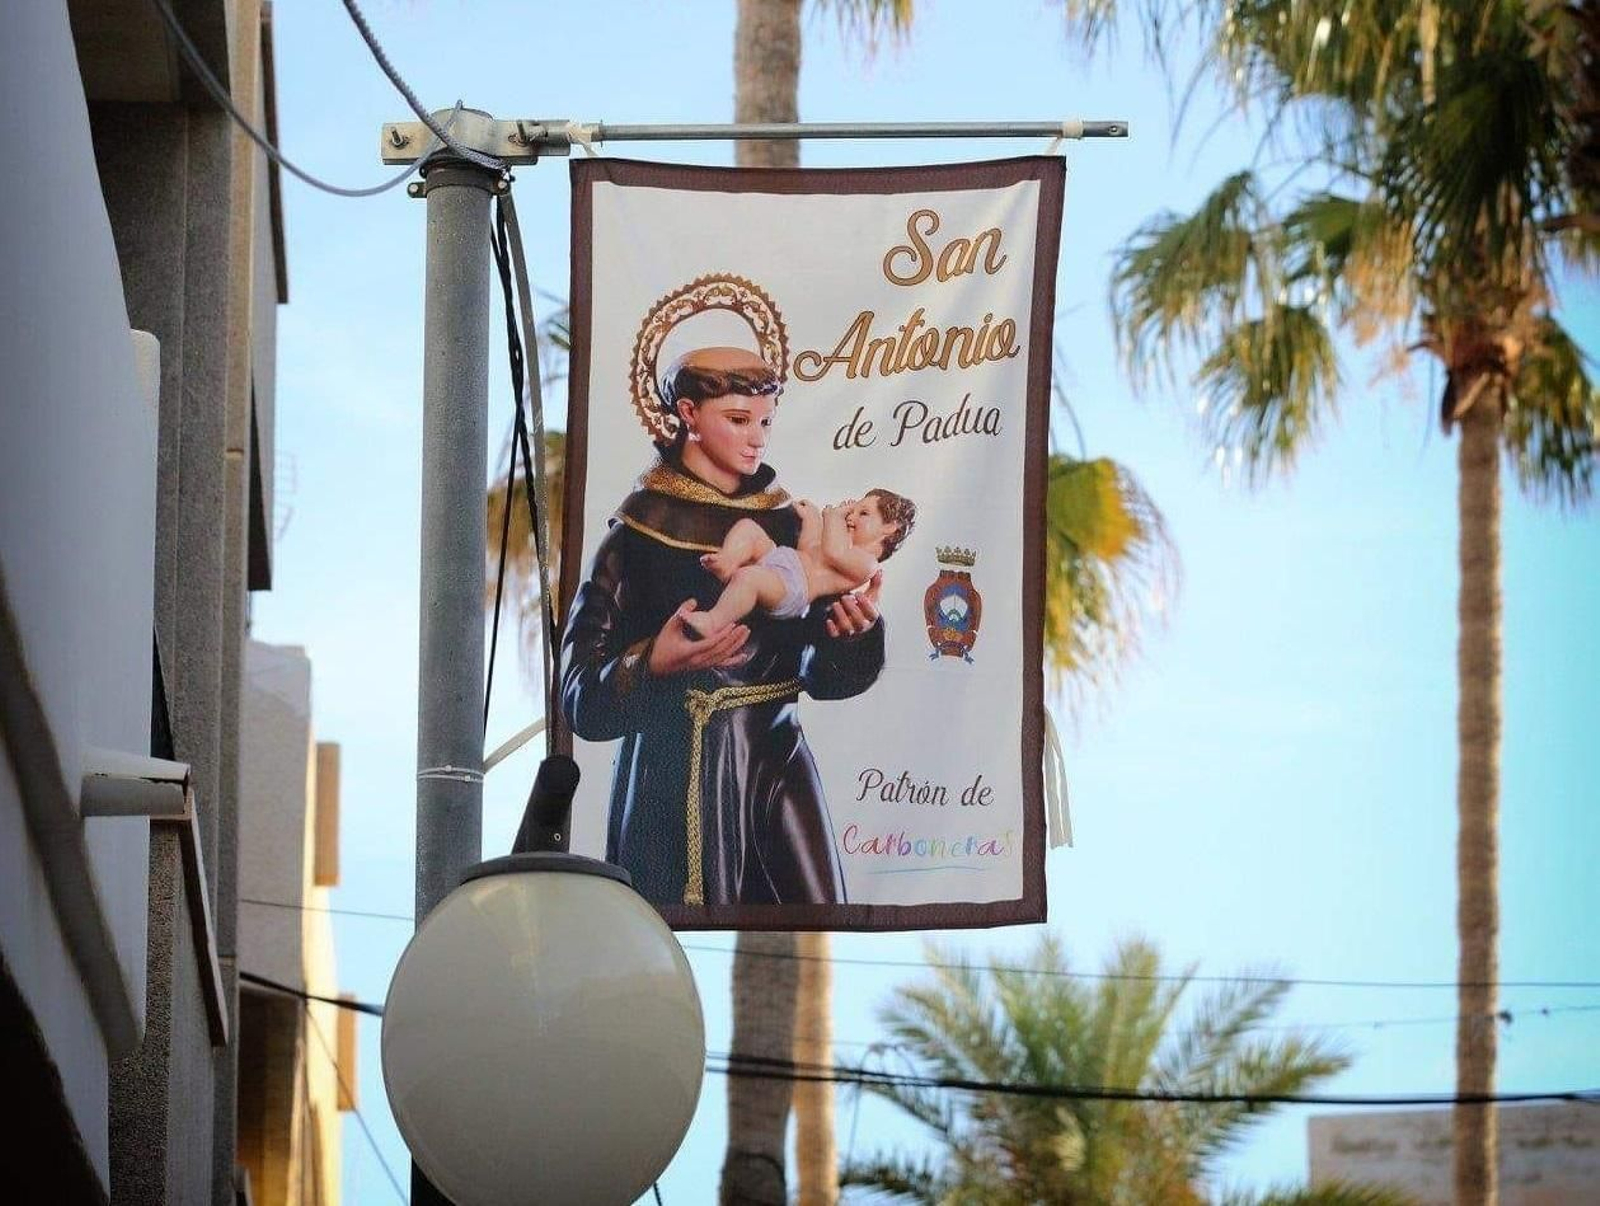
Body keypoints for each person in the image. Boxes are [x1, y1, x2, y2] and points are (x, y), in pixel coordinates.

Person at [560, 345, 885, 910]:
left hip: (775, 771)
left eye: (765, 422)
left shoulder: (791, 526)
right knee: (670, 948)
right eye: (738, 420)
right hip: (668, 785)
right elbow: (579, 699)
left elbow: (823, 676)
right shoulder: (635, 536)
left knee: (810, 926)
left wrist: (850, 636)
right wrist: (652, 661)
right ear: (688, 413)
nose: (757, 439)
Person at [683, 489, 916, 640]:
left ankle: (713, 621)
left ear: (890, 527)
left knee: (748, 578)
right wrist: (812, 519)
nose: (851, 517)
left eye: (863, 513)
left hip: (792, 587)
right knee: (748, 528)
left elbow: (833, 552)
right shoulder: (839, 542)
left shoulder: (867, 563)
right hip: (783, 559)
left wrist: (833, 516)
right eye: (851, 512)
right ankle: (727, 562)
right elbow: (809, 546)